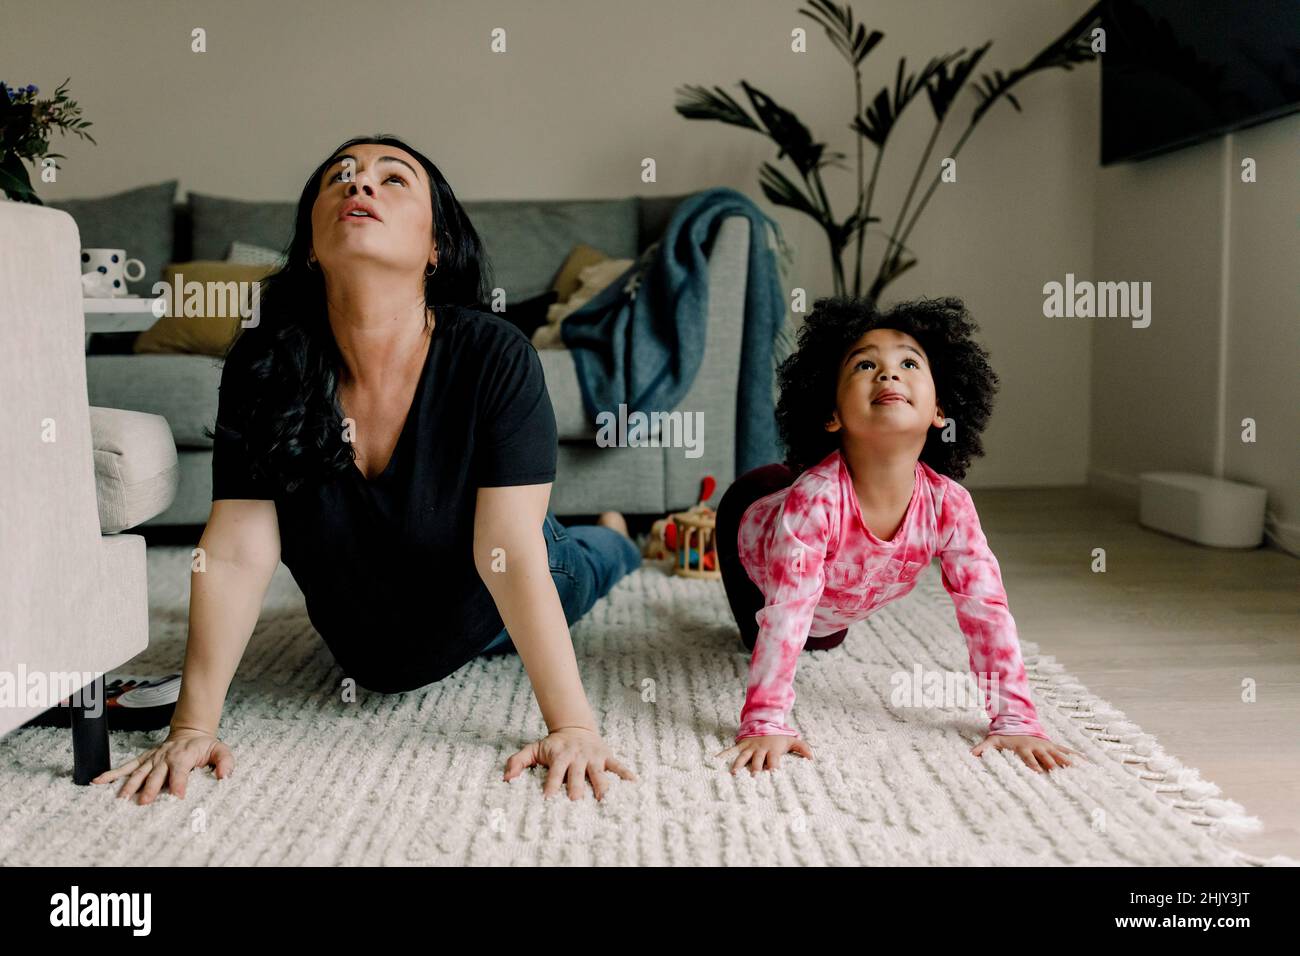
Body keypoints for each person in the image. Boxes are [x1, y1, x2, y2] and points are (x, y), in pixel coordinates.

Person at [93, 135, 641, 805]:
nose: (359, 186)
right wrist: (191, 727)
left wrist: (573, 726)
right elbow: (236, 551)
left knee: (591, 560)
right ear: (314, 246)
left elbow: (506, 551)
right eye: (340, 178)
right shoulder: (265, 364)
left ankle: (615, 535)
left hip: (503, 580)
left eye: (393, 178)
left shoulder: (492, 353)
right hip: (372, 644)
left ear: (435, 245)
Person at [713, 295, 1079, 776]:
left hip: (839, 575)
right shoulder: (813, 503)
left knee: (824, 639)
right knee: (768, 637)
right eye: (865, 365)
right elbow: (786, 614)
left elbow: (985, 610)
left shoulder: (949, 505)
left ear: (940, 410)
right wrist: (765, 721)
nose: (888, 374)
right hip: (753, 513)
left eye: (909, 362)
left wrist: (1016, 718)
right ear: (832, 414)